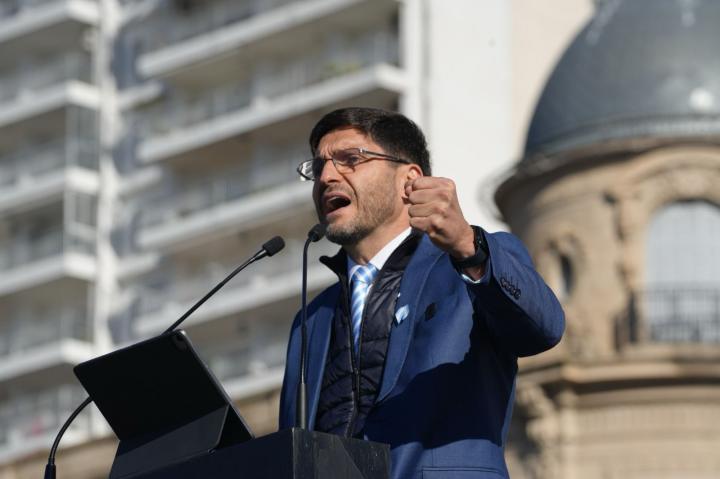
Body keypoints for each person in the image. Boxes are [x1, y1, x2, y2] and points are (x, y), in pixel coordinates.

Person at [279, 107, 564, 479]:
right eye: (318, 168)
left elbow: (543, 328)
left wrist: (469, 247)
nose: (327, 177)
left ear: (409, 180)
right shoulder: (311, 320)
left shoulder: (472, 262)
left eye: (350, 159)